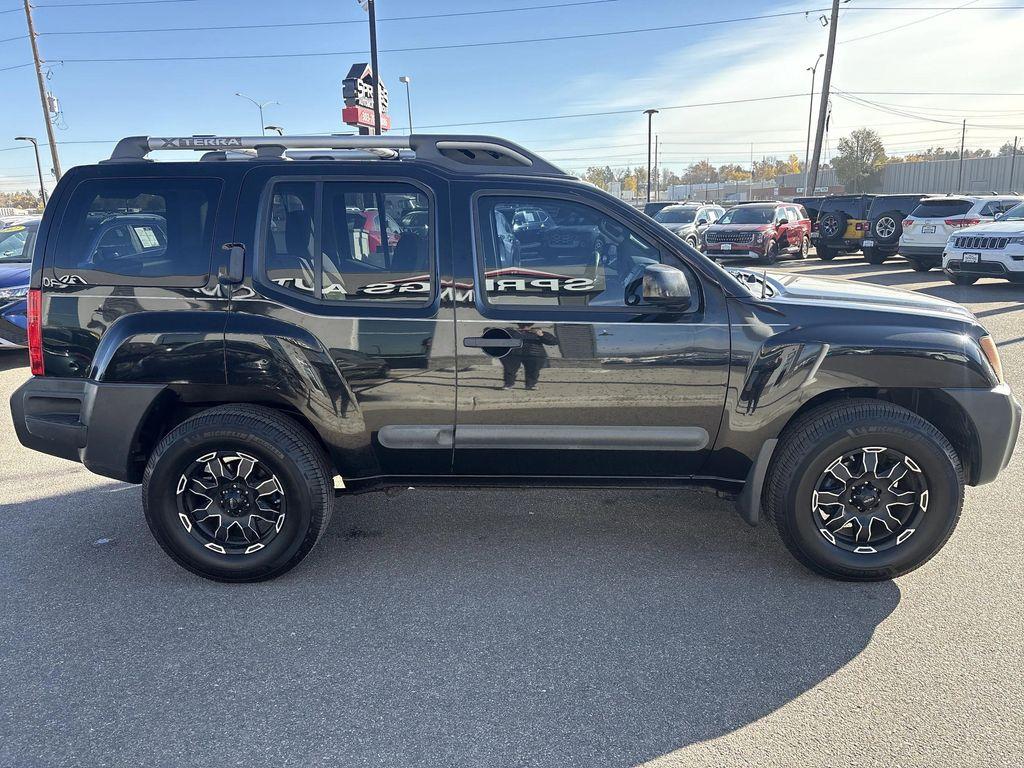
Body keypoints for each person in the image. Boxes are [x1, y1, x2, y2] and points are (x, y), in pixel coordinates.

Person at [500, 324, 557, 390]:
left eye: (527, 325)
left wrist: (541, 335)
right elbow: (490, 332)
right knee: (509, 370)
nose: (525, 327)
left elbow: (554, 341)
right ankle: (508, 384)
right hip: (514, 353)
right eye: (523, 325)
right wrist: (504, 331)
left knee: (533, 370)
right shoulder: (512, 332)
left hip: (533, 354)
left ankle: (531, 384)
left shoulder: (538, 332)